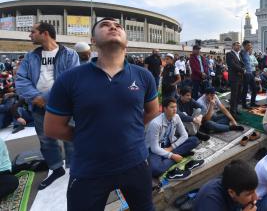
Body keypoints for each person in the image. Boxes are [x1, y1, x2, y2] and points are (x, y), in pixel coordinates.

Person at [44, 18, 159, 210]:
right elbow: (53, 128)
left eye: (118, 26)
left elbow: (153, 110)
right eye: (105, 25)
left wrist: (130, 130)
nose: (113, 27)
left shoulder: (143, 76)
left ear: (126, 41)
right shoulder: (70, 79)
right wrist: (88, 136)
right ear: (93, 40)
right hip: (89, 169)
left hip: (136, 163)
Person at [15, 22, 79, 190]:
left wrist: (46, 98)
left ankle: (74, 169)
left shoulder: (69, 54)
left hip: (65, 105)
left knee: (70, 137)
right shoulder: (31, 56)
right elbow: (21, 81)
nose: (30, 35)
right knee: (46, 140)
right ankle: (56, 169)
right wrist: (36, 98)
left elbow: (71, 81)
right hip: (38, 106)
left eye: (32, 32)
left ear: (45, 34)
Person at [146, 98, 202, 179]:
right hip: (155, 150)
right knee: (155, 170)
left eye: (176, 107)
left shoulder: (176, 117)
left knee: (194, 140)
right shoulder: (155, 123)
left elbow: (184, 135)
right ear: (164, 108)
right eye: (172, 107)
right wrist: (172, 156)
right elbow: (154, 148)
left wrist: (170, 148)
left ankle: (167, 159)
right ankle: (179, 156)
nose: (175, 109)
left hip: (169, 146)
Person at [193, 159, 258, 211]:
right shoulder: (210, 201)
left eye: (255, 191)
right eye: (249, 194)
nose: (255, 197)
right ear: (231, 192)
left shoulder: (235, 186)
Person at [226, 42, 245, 117]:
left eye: (239, 46)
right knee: (234, 95)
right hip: (234, 77)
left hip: (240, 77)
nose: (239, 47)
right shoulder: (229, 54)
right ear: (233, 46)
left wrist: (243, 69)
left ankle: (236, 109)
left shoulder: (239, 54)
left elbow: (242, 63)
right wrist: (242, 70)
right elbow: (232, 65)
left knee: (238, 95)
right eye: (237, 45)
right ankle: (232, 112)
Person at [241, 40, 258, 109]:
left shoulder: (248, 53)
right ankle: (244, 105)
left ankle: (252, 103)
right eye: (248, 45)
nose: (250, 46)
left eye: (250, 45)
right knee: (245, 90)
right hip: (245, 74)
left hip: (250, 73)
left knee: (254, 88)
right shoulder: (241, 53)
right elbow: (240, 63)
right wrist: (243, 70)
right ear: (244, 46)